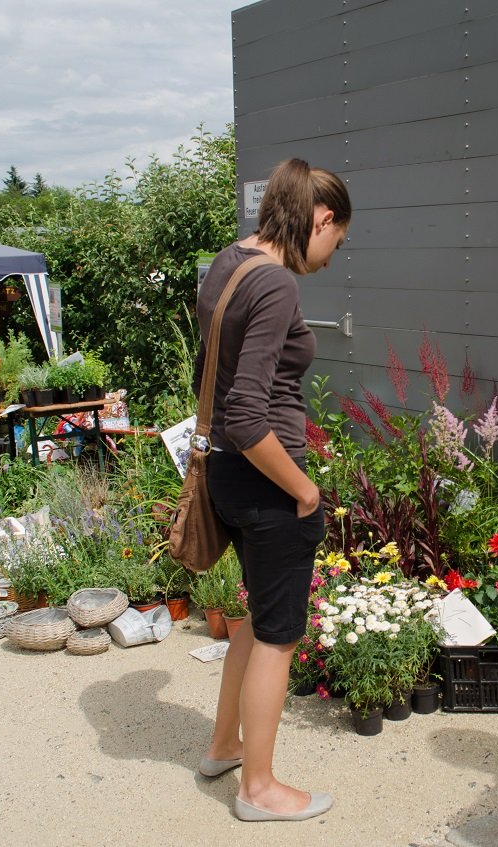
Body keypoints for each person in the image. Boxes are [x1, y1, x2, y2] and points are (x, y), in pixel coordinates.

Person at [196, 158, 350, 822]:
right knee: (280, 635)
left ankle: (224, 744)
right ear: (320, 219)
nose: (329, 256)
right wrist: (305, 490)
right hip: (267, 481)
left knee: (255, 619)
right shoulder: (278, 285)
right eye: (334, 241)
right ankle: (258, 787)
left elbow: (218, 385)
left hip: (225, 474)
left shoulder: (228, 262)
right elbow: (249, 414)